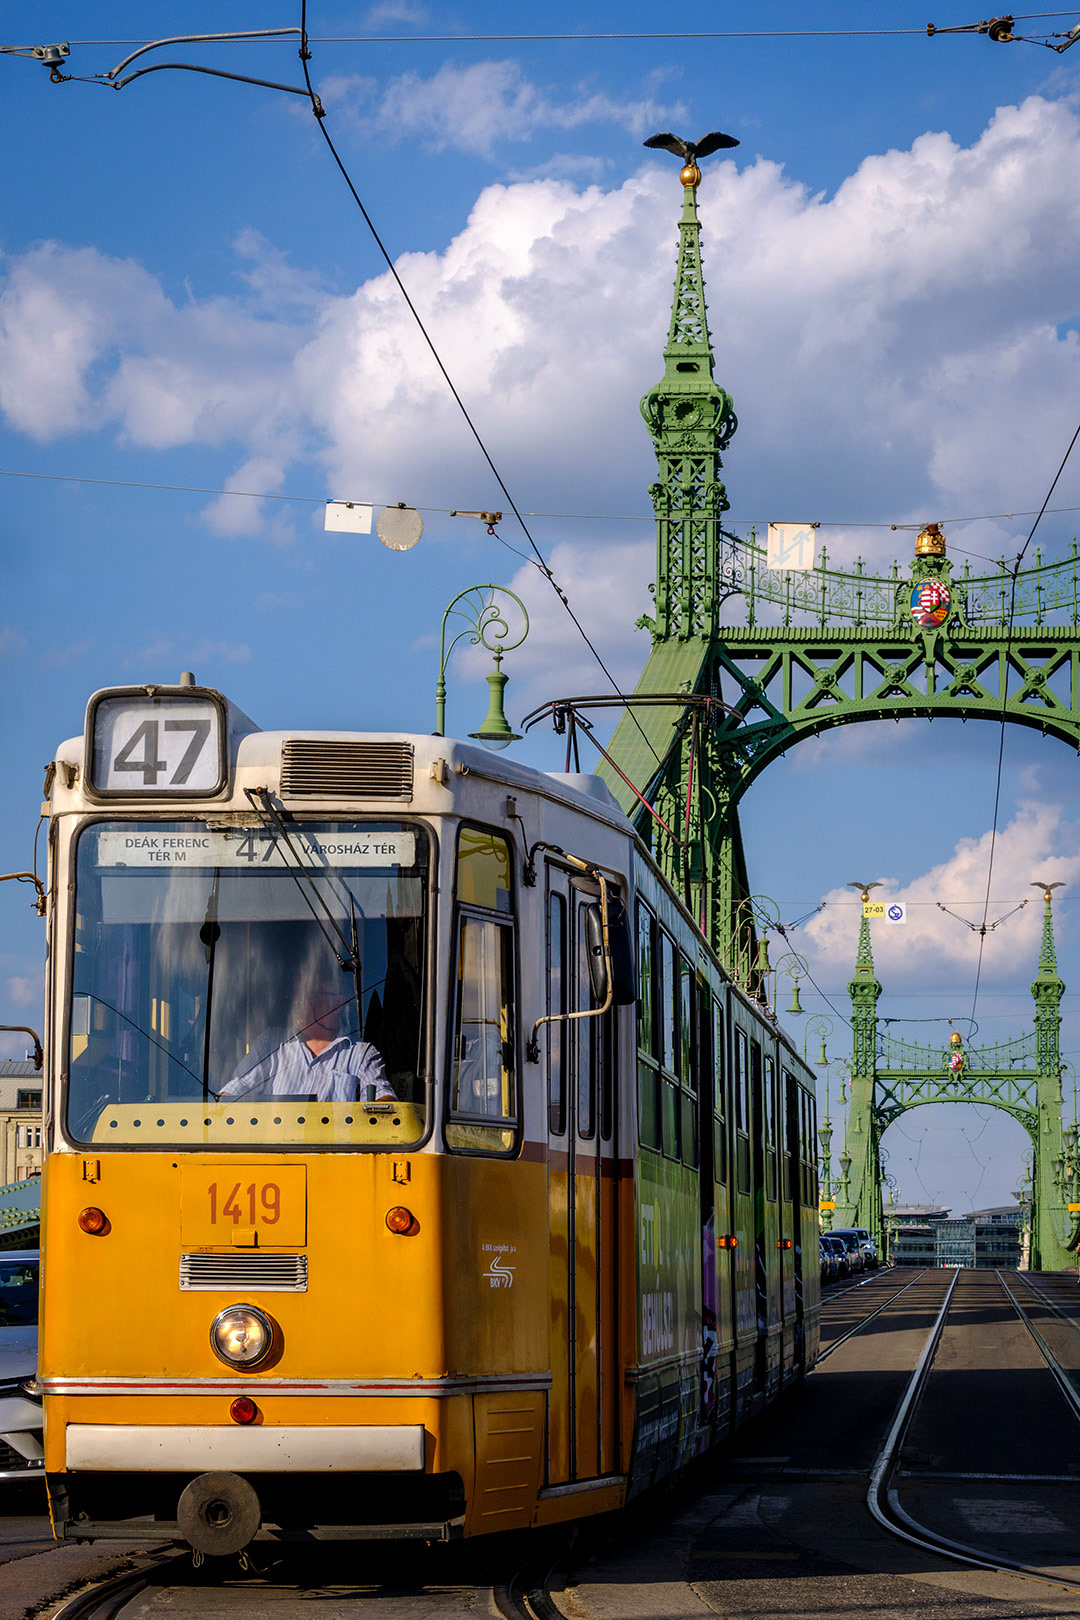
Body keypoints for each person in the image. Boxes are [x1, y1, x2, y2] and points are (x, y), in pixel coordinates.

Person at [219, 978, 394, 1103]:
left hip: (335, 1154)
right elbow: (237, 1089)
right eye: (296, 994)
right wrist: (217, 1107)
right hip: (274, 1153)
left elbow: (382, 1100)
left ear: (338, 1003)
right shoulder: (273, 1042)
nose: (298, 1002)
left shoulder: (360, 1055)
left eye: (308, 994)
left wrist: (382, 1103)